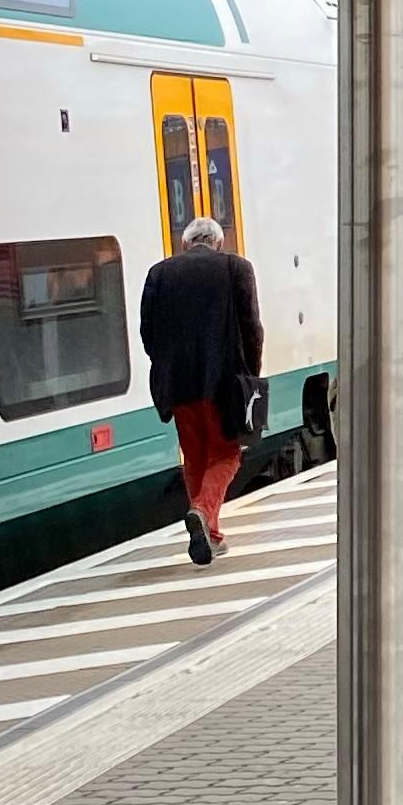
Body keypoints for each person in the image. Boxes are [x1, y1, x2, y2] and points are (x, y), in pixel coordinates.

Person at [140, 212, 265, 565]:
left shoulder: (158, 274)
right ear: (218, 242)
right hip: (223, 381)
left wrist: (166, 367)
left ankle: (209, 534)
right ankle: (203, 513)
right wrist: (250, 378)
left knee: (194, 457)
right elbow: (252, 327)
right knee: (227, 454)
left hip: (178, 385)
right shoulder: (236, 268)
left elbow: (147, 332)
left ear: (186, 243)